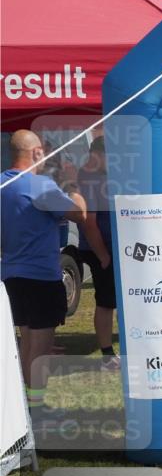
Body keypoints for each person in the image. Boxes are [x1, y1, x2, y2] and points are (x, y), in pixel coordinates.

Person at [1, 130, 107, 419]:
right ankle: (37, 407)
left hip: (11, 274)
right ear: (36, 153)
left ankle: (28, 404)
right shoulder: (38, 186)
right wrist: (72, 184)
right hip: (41, 275)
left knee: (26, 339)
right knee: (42, 343)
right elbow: (79, 213)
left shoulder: (2, 183)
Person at [76, 137, 120, 370]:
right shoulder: (89, 179)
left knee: (113, 300)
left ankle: (113, 350)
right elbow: (88, 222)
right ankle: (106, 355)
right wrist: (103, 256)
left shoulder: (100, 177)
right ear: (99, 154)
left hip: (111, 247)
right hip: (101, 248)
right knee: (106, 301)